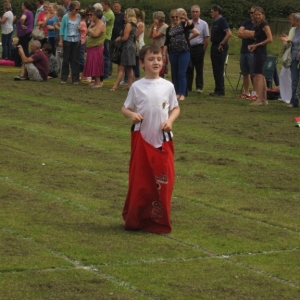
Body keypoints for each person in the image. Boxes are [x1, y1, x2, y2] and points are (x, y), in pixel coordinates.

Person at [121, 44, 180, 233]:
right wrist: (131, 115)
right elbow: (125, 107)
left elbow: (175, 108)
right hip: (142, 139)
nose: (156, 62)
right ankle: (137, 217)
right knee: (141, 181)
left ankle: (158, 218)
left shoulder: (168, 86)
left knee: (164, 180)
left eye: (159, 59)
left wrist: (170, 121)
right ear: (142, 63)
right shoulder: (137, 87)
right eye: (151, 59)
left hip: (162, 139)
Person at [162, 8, 198, 101]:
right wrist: (164, 55)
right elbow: (166, 42)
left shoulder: (183, 24)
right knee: (175, 73)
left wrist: (186, 18)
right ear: (170, 18)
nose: (175, 18)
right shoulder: (169, 29)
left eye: (176, 17)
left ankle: (182, 93)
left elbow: (191, 26)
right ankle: (176, 92)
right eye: (173, 17)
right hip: (173, 52)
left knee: (182, 73)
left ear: (179, 17)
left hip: (184, 51)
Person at [248, 7, 273, 106]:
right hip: (257, 51)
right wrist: (253, 45)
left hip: (261, 52)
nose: (257, 16)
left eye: (259, 14)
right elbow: (258, 39)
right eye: (256, 14)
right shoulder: (257, 25)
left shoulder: (265, 24)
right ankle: (264, 99)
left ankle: (259, 99)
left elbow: (270, 39)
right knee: (261, 75)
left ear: (263, 15)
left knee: (258, 75)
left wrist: (257, 45)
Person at [110, 8, 137, 91]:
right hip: (132, 46)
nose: (124, 16)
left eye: (125, 14)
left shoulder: (128, 25)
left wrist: (119, 39)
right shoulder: (134, 25)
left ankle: (115, 86)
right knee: (129, 67)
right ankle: (129, 85)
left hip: (127, 47)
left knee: (121, 67)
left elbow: (125, 37)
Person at [209, 5, 232, 97]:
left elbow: (229, 33)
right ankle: (218, 88)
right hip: (214, 45)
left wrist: (222, 43)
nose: (211, 13)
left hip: (219, 46)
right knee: (215, 68)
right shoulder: (215, 21)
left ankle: (220, 90)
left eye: (212, 12)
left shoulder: (222, 21)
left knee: (218, 68)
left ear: (217, 12)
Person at [186, 5, 209, 94]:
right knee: (189, 68)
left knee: (199, 68)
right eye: (193, 12)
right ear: (191, 13)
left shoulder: (204, 24)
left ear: (199, 13)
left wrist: (203, 50)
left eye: (196, 12)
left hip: (199, 47)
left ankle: (199, 87)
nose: (195, 13)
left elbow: (206, 38)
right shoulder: (188, 23)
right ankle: (188, 87)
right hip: (189, 48)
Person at [59, 1, 81, 84]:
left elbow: (82, 26)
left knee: (75, 60)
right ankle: (64, 77)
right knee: (66, 59)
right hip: (67, 39)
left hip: (76, 40)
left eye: (79, 9)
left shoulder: (78, 16)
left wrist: (80, 28)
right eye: (76, 9)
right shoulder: (65, 17)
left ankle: (75, 78)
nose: (78, 11)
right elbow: (62, 29)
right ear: (71, 9)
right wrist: (61, 40)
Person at [237, 6, 257, 99]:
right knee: (245, 72)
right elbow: (239, 33)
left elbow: (255, 35)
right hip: (244, 50)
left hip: (253, 51)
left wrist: (245, 32)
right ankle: (246, 92)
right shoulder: (246, 22)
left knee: (254, 73)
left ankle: (255, 92)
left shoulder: (259, 24)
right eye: (251, 13)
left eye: (254, 13)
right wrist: (249, 34)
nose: (252, 15)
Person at [82, 9, 106, 88]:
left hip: (96, 48)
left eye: (92, 15)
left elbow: (96, 34)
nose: (91, 17)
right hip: (91, 47)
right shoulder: (95, 24)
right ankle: (95, 81)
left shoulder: (101, 24)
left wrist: (89, 29)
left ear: (96, 16)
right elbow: (87, 32)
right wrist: (90, 26)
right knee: (92, 64)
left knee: (96, 64)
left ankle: (98, 83)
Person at [281, 13, 300, 108]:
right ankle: (294, 101)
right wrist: (287, 41)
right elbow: (291, 42)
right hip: (293, 58)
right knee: (294, 80)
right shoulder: (294, 30)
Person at [279, 13, 296, 104]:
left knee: (291, 77)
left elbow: (295, 42)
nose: (290, 21)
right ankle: (284, 96)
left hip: (294, 56)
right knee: (283, 75)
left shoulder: (296, 30)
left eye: (291, 19)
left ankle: (290, 97)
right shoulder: (293, 29)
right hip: (289, 55)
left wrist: (288, 40)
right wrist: (286, 41)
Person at [148, 11, 168, 78]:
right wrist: (153, 26)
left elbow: (155, 35)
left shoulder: (165, 27)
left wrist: (155, 26)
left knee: (160, 68)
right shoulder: (156, 26)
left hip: (161, 48)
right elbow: (149, 35)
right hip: (155, 47)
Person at [101, 0, 115, 79]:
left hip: (106, 36)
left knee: (106, 56)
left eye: (103, 5)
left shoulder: (109, 14)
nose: (102, 7)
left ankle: (106, 73)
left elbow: (101, 22)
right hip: (104, 36)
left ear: (107, 5)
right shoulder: (105, 13)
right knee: (104, 55)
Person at [110, 1, 124, 76]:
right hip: (111, 38)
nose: (116, 8)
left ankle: (120, 72)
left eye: (117, 6)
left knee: (119, 56)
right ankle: (109, 72)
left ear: (120, 7)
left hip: (119, 39)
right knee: (109, 55)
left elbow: (125, 27)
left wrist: (121, 36)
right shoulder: (111, 15)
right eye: (114, 6)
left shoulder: (123, 16)